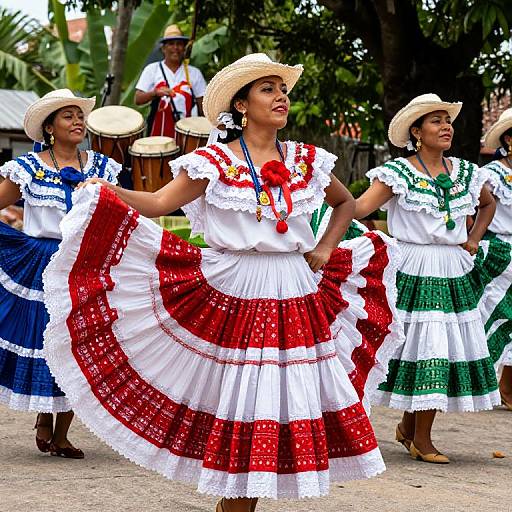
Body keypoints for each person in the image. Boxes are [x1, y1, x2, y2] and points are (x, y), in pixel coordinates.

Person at [42, 54, 403, 511]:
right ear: (241, 104)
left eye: (281, 89)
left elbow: (346, 203)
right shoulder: (212, 162)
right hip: (237, 286)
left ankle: (238, 503)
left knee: (277, 400)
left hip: (294, 287)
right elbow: (155, 204)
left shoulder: (305, 158)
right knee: (245, 401)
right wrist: (102, 189)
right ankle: (235, 503)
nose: (280, 97)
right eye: (267, 90)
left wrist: (326, 248)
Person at [356, 93, 501, 464]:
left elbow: (488, 204)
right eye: (435, 121)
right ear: (416, 132)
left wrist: (473, 238)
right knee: (422, 345)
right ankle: (419, 437)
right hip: (413, 268)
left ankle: (413, 431)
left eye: (446, 120)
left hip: (452, 268)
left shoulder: (466, 173)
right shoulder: (398, 173)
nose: (445, 126)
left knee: (439, 346)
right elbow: (358, 209)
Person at [0, 89, 121, 458]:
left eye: (79, 115)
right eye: (67, 116)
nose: (77, 121)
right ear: (50, 127)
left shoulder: (102, 167)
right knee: (46, 340)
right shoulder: (30, 167)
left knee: (80, 343)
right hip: (40, 262)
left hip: (85, 261)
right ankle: (44, 416)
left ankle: (63, 432)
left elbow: (120, 210)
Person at [479, 108, 512, 409]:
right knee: (492, 313)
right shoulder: (492, 174)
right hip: (499, 254)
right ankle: (488, 384)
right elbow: (476, 209)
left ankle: (507, 386)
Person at [135, 24, 207, 137]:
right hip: (158, 136)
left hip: (189, 135)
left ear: (184, 48)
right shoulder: (152, 69)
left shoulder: (194, 73)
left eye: (179, 44)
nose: (176, 48)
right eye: (171, 44)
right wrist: (155, 93)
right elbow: (138, 99)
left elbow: (202, 106)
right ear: (163, 49)